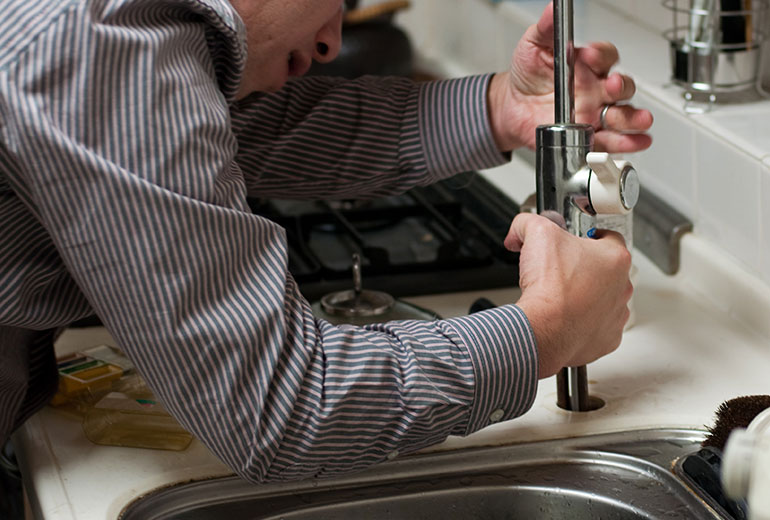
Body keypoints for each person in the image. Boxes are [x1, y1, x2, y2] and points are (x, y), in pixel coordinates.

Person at [0, 0, 652, 484]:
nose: (332, 43)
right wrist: (545, 330)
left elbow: (252, 130)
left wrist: (502, 107)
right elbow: (281, 410)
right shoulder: (100, 44)